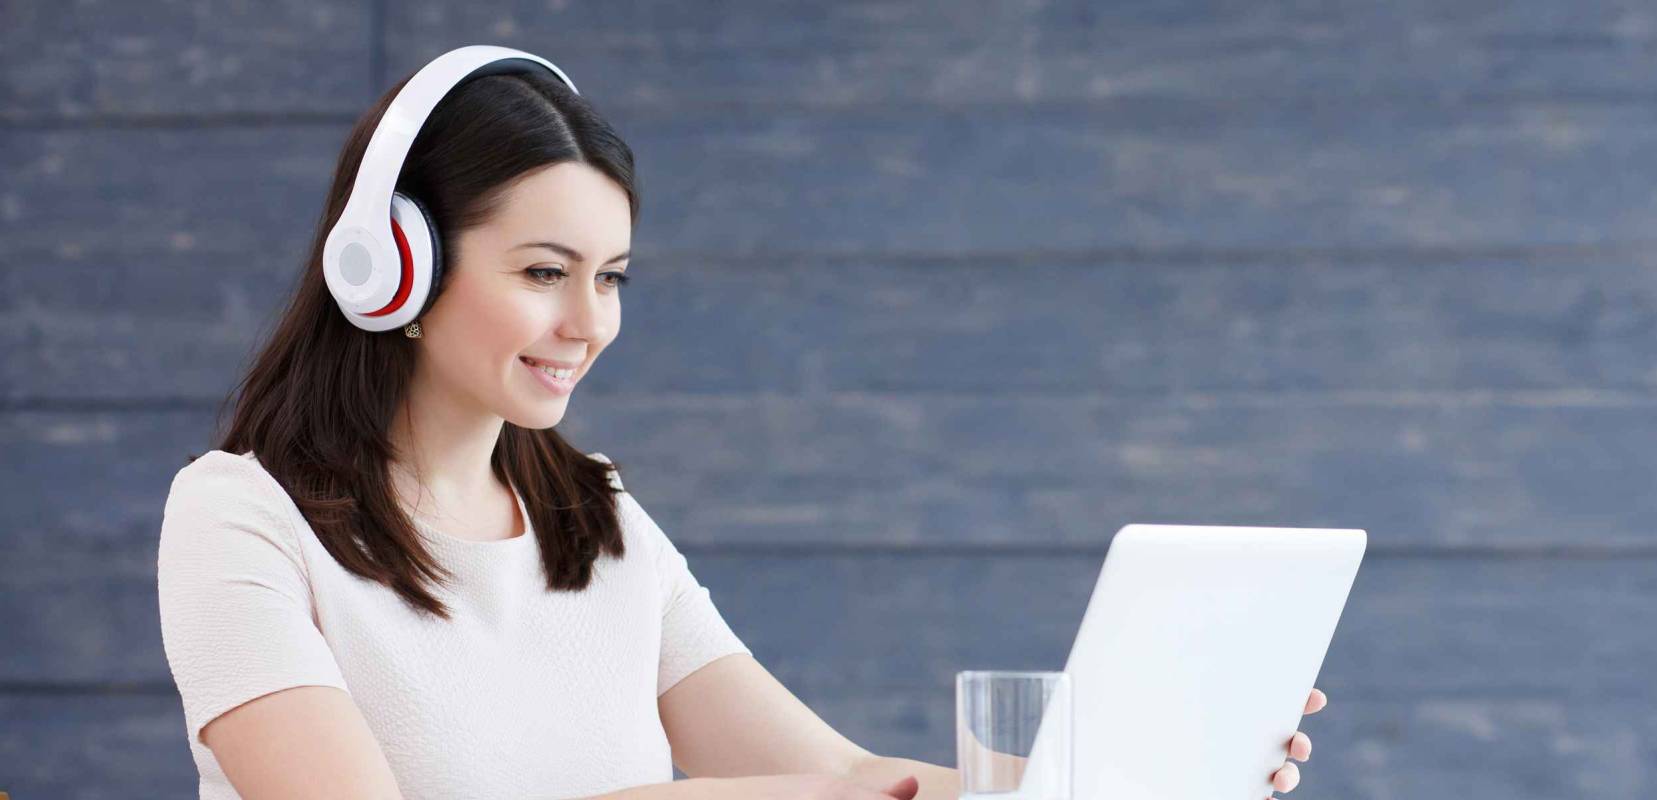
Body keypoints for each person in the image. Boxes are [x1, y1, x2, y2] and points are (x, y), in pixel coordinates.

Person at [156, 50, 1324, 800]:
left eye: (612, 276)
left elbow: (844, 773)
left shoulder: (592, 514)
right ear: (391, 268)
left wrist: (1149, 774)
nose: (588, 321)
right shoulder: (239, 517)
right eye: (545, 270)